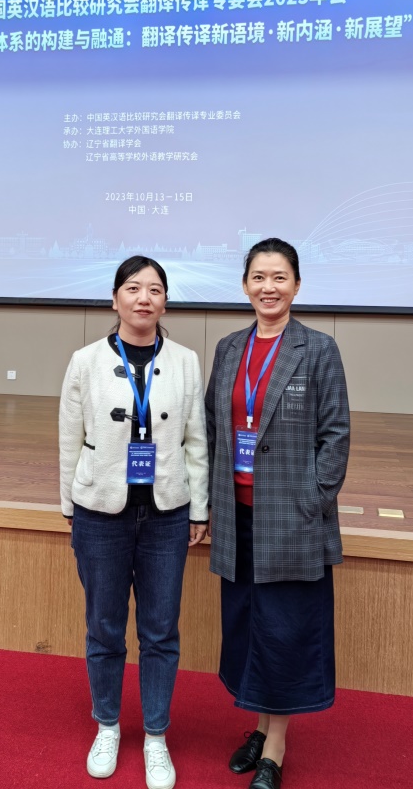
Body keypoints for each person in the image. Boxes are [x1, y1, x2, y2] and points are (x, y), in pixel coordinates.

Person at [59, 255, 209, 789]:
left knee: (160, 630)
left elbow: (196, 440)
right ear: (115, 298)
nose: (144, 298)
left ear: (165, 302)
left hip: (166, 515)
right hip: (101, 513)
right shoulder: (85, 361)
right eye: (133, 288)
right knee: (104, 627)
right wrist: (69, 505)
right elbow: (68, 437)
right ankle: (107, 725)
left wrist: (199, 509)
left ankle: (155, 736)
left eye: (155, 289)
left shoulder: (186, 361)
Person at [205, 238, 350, 789]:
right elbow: (215, 427)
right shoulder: (229, 348)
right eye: (259, 277)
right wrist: (212, 503)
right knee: (251, 626)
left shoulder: (318, 349)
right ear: (245, 285)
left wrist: (312, 500)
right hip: (238, 517)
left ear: (296, 285)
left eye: (280, 277)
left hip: (291, 520)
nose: (269, 287)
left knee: (286, 630)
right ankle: (262, 728)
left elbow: (335, 435)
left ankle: (276, 747)